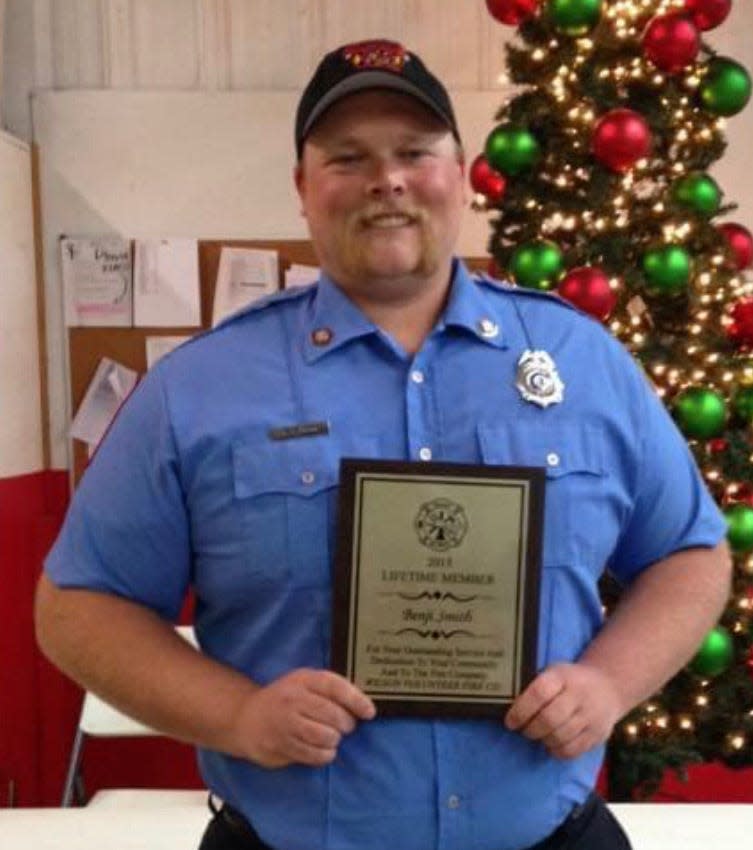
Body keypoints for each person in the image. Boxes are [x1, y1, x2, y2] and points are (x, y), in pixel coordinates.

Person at [36, 39, 730, 850]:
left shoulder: (583, 361)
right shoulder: (198, 389)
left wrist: (609, 684)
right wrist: (241, 716)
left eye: (413, 152)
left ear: (464, 174)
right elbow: (78, 607)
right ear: (302, 188)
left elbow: (690, 552)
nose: (386, 180)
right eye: (347, 157)